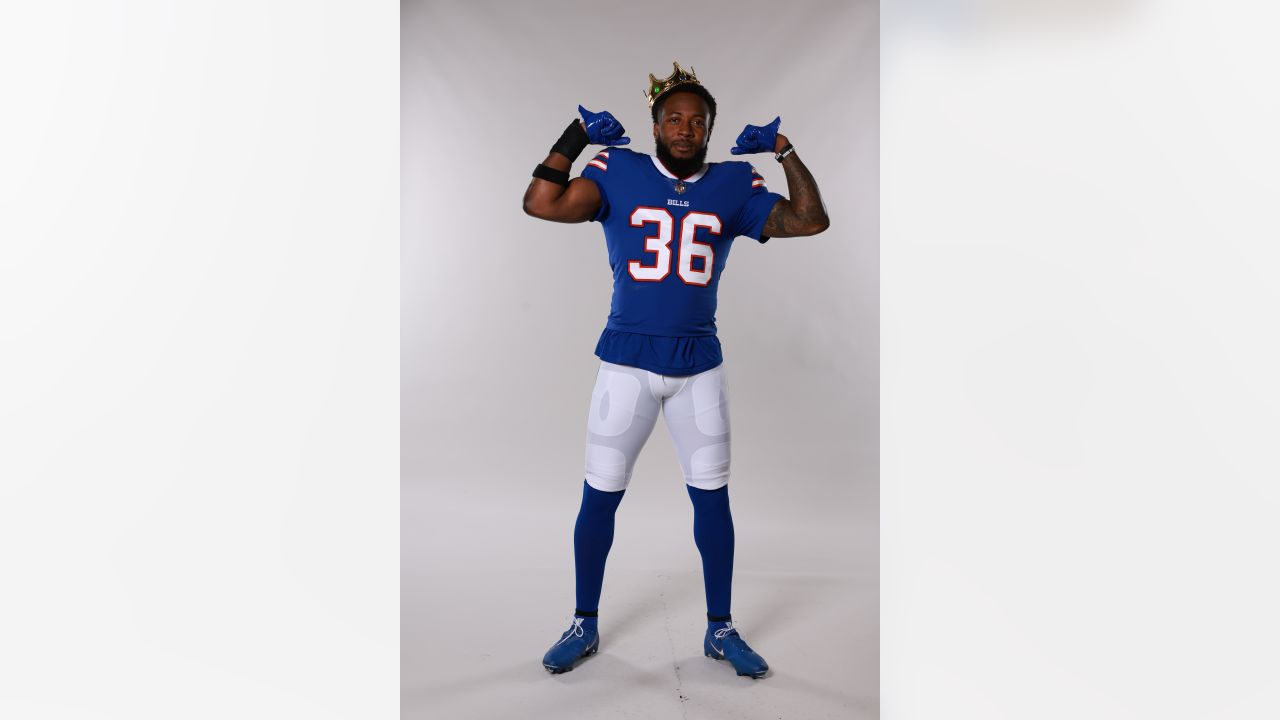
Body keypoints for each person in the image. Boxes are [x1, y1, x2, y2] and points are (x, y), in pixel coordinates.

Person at [522, 62, 829, 679]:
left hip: (698, 368)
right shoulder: (621, 170)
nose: (685, 128)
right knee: (599, 496)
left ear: (710, 129)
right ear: (655, 124)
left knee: (712, 499)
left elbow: (809, 218)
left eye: (697, 121)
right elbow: (541, 202)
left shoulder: (733, 184)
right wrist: (575, 134)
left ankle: (720, 629)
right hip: (625, 367)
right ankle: (584, 620)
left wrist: (783, 147)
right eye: (674, 119)